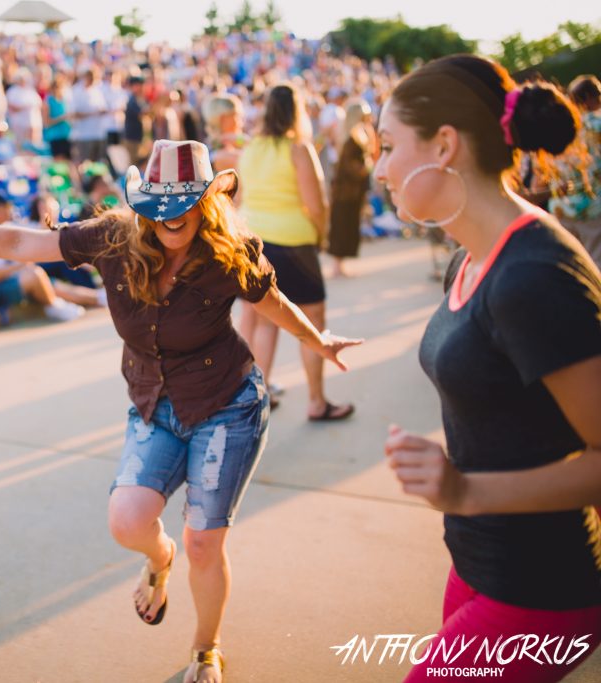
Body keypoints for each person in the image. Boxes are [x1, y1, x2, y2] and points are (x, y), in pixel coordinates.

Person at [0, 139, 360, 683]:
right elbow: (21, 241)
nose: (172, 218)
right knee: (128, 521)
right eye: (160, 205)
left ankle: (206, 648)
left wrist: (318, 340)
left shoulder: (229, 252)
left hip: (227, 406)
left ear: (207, 200)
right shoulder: (115, 238)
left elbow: (273, 303)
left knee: (204, 541)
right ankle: (159, 560)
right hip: (154, 404)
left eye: (185, 203)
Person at [378, 55, 601, 682]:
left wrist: (465, 490)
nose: (379, 166)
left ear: (444, 146)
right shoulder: (469, 258)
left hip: (541, 588)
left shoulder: (534, 273)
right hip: (478, 561)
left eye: (389, 145)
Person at [237, 83, 355, 420]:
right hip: (293, 244)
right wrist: (320, 237)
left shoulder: (251, 149)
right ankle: (317, 401)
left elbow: (242, 198)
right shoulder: (298, 149)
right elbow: (317, 205)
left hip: (255, 242)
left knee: (264, 323)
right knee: (312, 325)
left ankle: (257, 397)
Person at [0, 193, 88, 322]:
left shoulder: (6, 226)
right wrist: (20, 266)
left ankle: (99, 297)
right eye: (7, 206)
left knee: (49, 283)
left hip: (10, 280)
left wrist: (45, 215)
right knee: (34, 275)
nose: (11, 209)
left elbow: (37, 234)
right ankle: (53, 306)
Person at [549, 74, 601, 267]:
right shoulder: (595, 124)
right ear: (590, 96)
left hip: (563, 209)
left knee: (578, 264)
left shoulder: (565, 127)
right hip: (593, 206)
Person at [327, 99, 375, 278]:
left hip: (351, 191)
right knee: (342, 226)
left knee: (347, 226)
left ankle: (340, 264)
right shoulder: (351, 138)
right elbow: (351, 167)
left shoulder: (356, 135)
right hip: (346, 191)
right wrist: (366, 168)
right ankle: (337, 265)